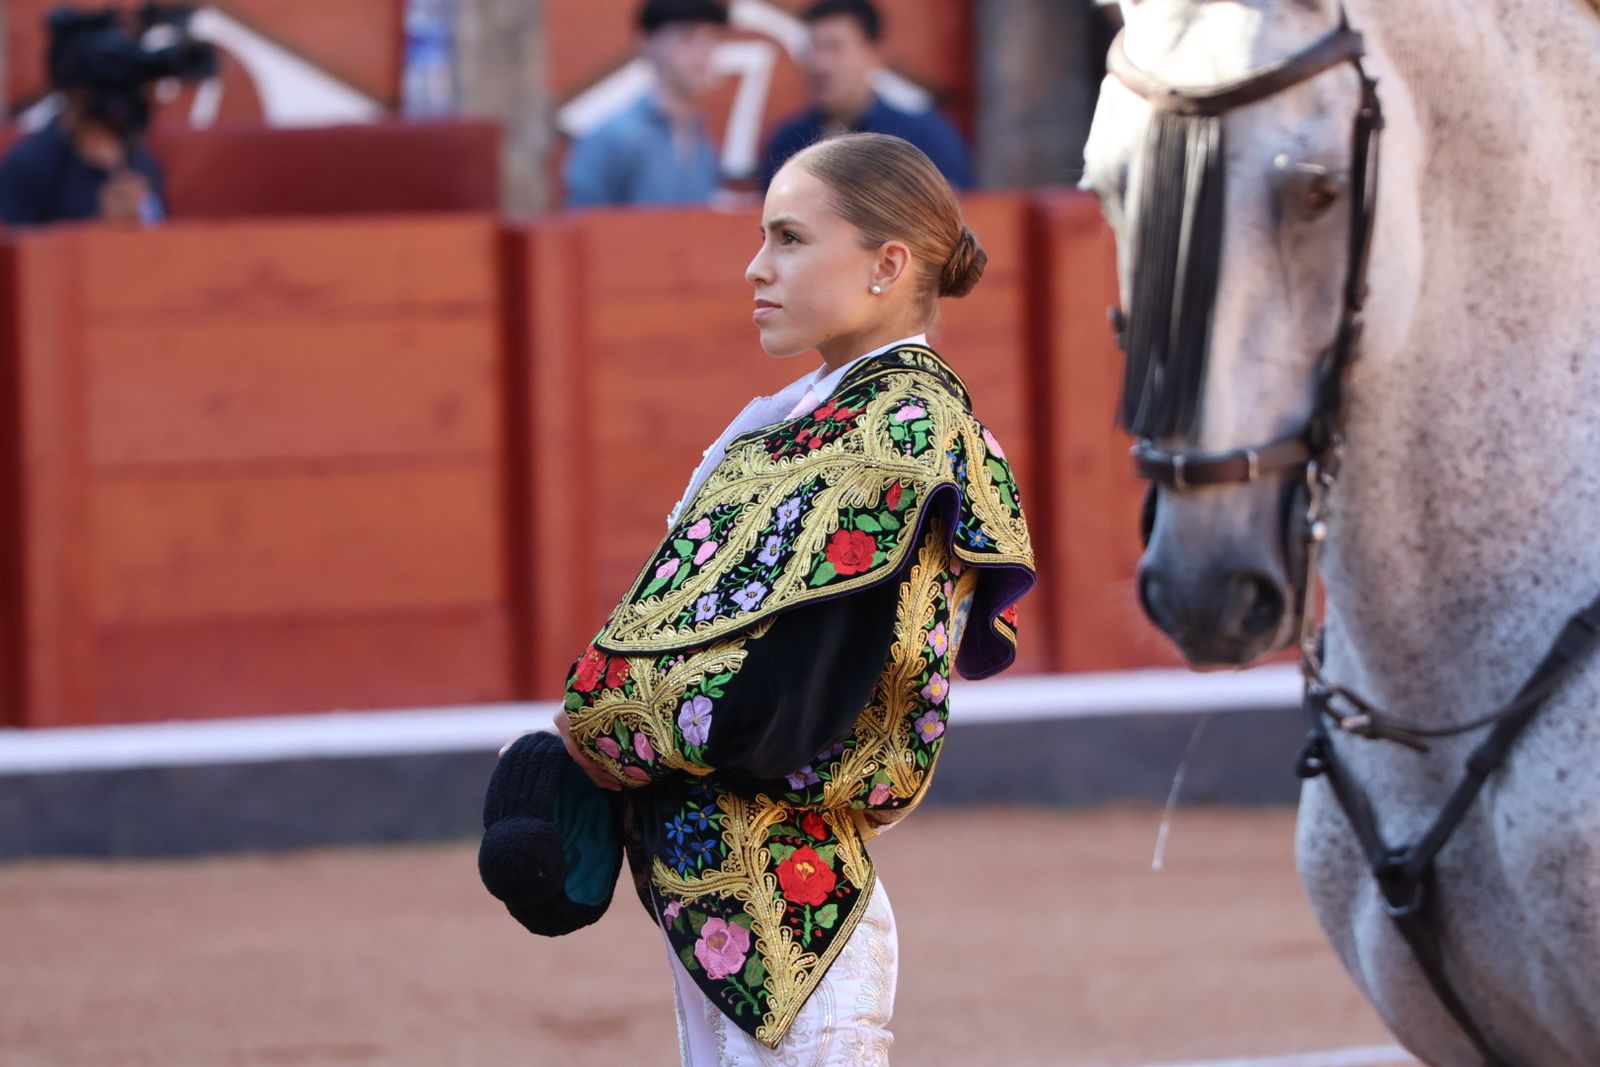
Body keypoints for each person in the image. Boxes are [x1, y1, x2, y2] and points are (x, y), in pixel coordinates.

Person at [538, 133, 1034, 1063]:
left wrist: (598, 738)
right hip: (733, 887)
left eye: (790, 239)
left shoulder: (898, 432)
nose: (756, 266)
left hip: (796, 906)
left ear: (888, 265)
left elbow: (781, 704)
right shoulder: (797, 422)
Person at [0, 7, 213, 229]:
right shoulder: (30, 165)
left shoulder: (142, 163)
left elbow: (159, 248)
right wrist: (101, 227)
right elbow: (17, 254)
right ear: (75, 96)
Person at [760, 0, 974, 191]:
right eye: (812, 49)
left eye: (834, 47)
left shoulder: (922, 140)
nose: (819, 64)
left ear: (874, 54)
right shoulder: (787, 142)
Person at [563, 0, 729, 208]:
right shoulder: (612, 138)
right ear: (647, 42)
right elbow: (583, 227)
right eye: (687, 37)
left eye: (711, 38)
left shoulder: (702, 142)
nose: (702, 52)